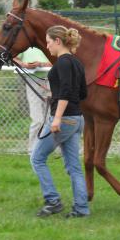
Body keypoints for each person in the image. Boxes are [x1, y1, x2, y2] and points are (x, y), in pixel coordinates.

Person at [31, 25, 89, 218]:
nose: (47, 47)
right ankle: (81, 209)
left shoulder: (63, 63)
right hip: (77, 119)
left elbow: (65, 91)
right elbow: (82, 93)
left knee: (37, 158)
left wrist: (56, 118)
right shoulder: (77, 63)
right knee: (74, 167)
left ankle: (53, 201)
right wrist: (54, 95)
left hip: (63, 119)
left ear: (57, 41)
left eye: (48, 42)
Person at [14, 47, 52, 155]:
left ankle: (48, 147)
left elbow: (59, 60)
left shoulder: (49, 43)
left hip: (50, 79)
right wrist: (24, 65)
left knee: (51, 117)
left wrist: (41, 64)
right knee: (38, 119)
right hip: (33, 80)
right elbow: (13, 58)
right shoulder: (25, 46)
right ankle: (32, 150)